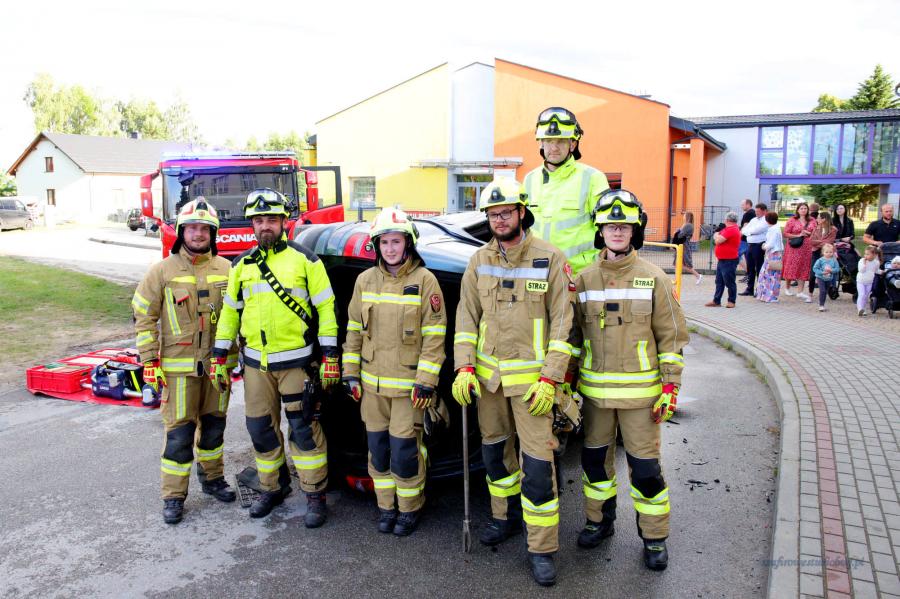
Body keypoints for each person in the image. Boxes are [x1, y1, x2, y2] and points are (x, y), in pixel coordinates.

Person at [451, 178, 573, 587]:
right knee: (494, 458)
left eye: (506, 212)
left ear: (522, 212)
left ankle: (542, 549)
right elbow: (466, 319)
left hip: (534, 386)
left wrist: (551, 378)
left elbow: (563, 325)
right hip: (490, 383)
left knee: (537, 468)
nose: (499, 220)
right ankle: (503, 518)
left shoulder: (550, 258)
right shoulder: (478, 260)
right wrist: (464, 367)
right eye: (492, 214)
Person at [570, 189, 688, 572]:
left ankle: (654, 538)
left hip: (641, 400)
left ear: (635, 230)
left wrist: (670, 388)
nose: (617, 231)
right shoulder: (584, 281)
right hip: (595, 399)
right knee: (594, 466)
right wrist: (564, 386)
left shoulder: (654, 278)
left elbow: (672, 338)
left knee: (646, 471)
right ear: (600, 231)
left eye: (623, 226)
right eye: (610, 226)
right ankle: (598, 522)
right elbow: (571, 339)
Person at [212, 188, 339, 525]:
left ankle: (314, 494)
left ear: (284, 221)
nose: (265, 225)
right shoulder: (241, 265)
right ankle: (273, 488)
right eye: (258, 220)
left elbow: (327, 308)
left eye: (271, 219)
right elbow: (229, 314)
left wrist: (330, 356)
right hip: (257, 367)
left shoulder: (305, 260)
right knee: (260, 430)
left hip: (297, 364)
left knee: (304, 430)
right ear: (252, 224)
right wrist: (218, 355)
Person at [132, 198, 239, 524]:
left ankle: (213, 479)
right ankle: (173, 496)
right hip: (179, 371)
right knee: (179, 434)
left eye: (205, 228)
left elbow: (241, 317)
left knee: (214, 429)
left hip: (218, 369)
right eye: (192, 228)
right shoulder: (162, 271)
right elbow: (144, 317)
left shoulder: (227, 269)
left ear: (213, 233)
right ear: (182, 231)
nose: (198, 233)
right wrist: (149, 361)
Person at [341, 207, 446, 537]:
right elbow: (354, 331)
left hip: (408, 391)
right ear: (377, 245)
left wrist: (426, 382)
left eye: (396, 241)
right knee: (378, 452)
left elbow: (435, 337)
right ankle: (386, 507)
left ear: (408, 243)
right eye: (384, 242)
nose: (390, 248)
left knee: (404, 454)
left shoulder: (425, 281)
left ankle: (409, 509)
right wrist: (350, 373)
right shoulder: (364, 281)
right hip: (371, 389)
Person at [523, 106, 610, 275]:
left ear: (573, 144)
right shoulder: (529, 179)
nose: (554, 147)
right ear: (541, 143)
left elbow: (608, 228)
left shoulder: (593, 178)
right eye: (549, 141)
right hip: (537, 273)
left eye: (561, 141)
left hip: (580, 275)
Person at [705, 212, 741, 308]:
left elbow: (717, 240)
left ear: (727, 220)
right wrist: (717, 235)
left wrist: (716, 235)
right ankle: (716, 301)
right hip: (723, 259)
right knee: (719, 281)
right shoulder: (728, 229)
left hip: (729, 260)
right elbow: (718, 237)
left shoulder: (731, 229)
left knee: (729, 281)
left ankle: (731, 301)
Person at [782, 202, 816, 302]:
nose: (803, 210)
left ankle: (800, 291)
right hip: (794, 247)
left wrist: (808, 233)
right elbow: (785, 233)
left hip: (807, 248)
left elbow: (816, 232)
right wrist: (798, 235)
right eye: (801, 208)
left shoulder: (812, 220)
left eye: (805, 208)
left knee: (803, 267)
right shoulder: (792, 220)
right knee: (791, 266)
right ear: (797, 210)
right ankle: (787, 287)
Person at [739, 203, 769, 296]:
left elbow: (757, 230)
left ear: (764, 211)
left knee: (759, 268)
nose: (756, 213)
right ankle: (749, 289)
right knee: (750, 268)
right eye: (756, 211)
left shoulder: (766, 220)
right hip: (750, 246)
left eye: (758, 211)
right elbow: (744, 230)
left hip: (759, 246)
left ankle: (759, 289)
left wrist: (749, 232)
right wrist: (750, 232)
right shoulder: (753, 220)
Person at [755, 211, 784, 303]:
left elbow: (770, 244)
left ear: (767, 220)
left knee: (770, 275)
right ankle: (768, 295)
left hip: (772, 254)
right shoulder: (776, 228)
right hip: (776, 254)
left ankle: (769, 296)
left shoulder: (772, 230)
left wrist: (764, 246)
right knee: (772, 275)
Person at [808, 211, 837, 296]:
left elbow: (829, 241)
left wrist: (818, 242)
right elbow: (811, 241)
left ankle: (830, 290)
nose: (817, 219)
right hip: (816, 252)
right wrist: (822, 242)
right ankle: (810, 294)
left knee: (829, 273)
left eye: (818, 218)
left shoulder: (833, 229)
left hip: (828, 254)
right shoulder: (816, 228)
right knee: (812, 274)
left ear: (824, 219)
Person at [673, 211, 702, 285]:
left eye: (684, 215)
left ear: (687, 217)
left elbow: (680, 235)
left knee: (685, 265)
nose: (683, 216)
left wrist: (677, 232)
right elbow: (679, 234)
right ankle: (676, 280)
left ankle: (698, 275)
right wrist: (678, 232)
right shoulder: (686, 225)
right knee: (677, 264)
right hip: (681, 245)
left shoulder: (688, 225)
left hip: (684, 246)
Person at [812, 243, 840, 312]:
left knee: (825, 291)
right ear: (823, 252)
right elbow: (815, 268)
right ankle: (821, 305)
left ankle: (822, 303)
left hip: (829, 278)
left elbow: (837, 269)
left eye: (830, 252)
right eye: (826, 252)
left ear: (833, 252)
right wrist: (822, 272)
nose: (828, 254)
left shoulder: (834, 260)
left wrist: (831, 270)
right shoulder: (820, 260)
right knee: (822, 291)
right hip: (820, 277)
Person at [856, 245, 882, 316]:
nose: (865, 256)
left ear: (874, 255)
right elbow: (861, 270)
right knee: (861, 294)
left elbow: (876, 270)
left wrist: (882, 272)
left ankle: (863, 309)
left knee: (866, 296)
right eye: (865, 254)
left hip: (869, 282)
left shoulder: (876, 262)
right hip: (861, 281)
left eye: (868, 254)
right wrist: (864, 264)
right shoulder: (862, 261)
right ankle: (860, 309)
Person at [737, 199, 754, 282]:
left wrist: (738, 236)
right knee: (748, 258)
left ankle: (749, 274)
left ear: (748, 204)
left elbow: (745, 227)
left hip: (744, 240)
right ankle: (749, 275)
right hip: (749, 240)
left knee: (736, 255)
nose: (741, 206)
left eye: (743, 204)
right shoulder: (753, 213)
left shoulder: (748, 214)